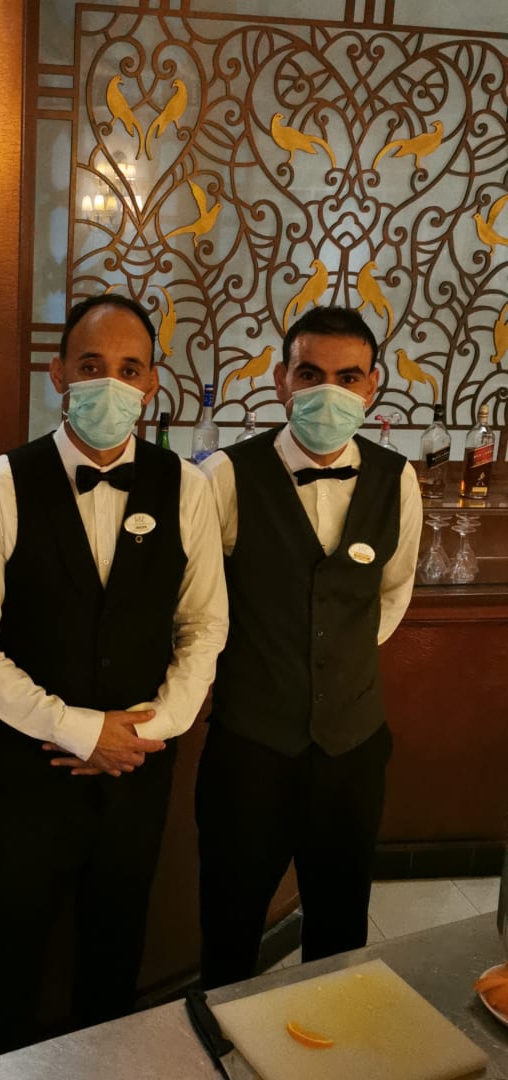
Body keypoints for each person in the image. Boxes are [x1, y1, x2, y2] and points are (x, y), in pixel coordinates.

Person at [0, 293, 228, 1053]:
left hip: (138, 771)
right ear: (59, 373)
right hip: (26, 777)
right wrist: (78, 730)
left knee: (116, 950)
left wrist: (149, 730)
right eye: (92, 365)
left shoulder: (188, 486)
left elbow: (205, 624)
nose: (111, 383)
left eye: (130, 369)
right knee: (11, 954)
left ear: (152, 383)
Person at [196, 305, 422, 989]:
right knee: (230, 925)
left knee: (341, 931)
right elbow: (198, 605)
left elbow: (392, 593)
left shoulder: (397, 478)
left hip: (354, 750)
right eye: (310, 374)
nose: (329, 391)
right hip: (249, 748)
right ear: (281, 381)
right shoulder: (224, 476)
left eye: (347, 377)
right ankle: (222, 1038)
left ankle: (331, 1041)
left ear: (372, 386)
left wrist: (334, 657)